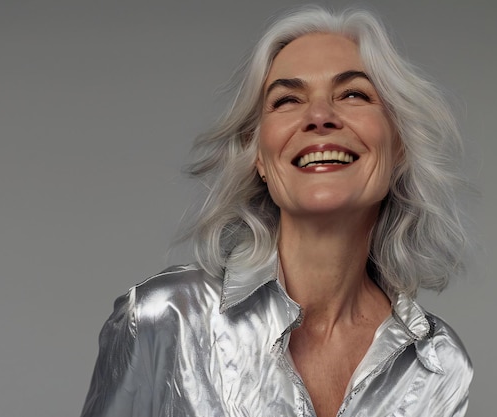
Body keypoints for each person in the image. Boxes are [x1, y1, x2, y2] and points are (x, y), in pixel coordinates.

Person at [81, 6, 473, 417]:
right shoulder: (164, 319)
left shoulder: (438, 363)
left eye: (353, 94)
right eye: (287, 100)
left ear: (398, 147)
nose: (320, 116)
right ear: (260, 157)